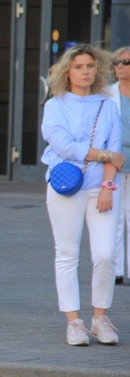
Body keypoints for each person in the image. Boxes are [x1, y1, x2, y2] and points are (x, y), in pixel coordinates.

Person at [41, 44, 125, 346]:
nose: (86, 71)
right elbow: (64, 146)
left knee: (105, 254)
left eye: (90, 66)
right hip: (65, 187)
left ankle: (100, 317)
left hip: (100, 189)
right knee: (67, 253)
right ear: (67, 71)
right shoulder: (55, 105)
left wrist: (107, 186)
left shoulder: (107, 105)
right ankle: (73, 321)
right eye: (79, 67)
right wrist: (104, 155)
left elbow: (117, 154)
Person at [109, 47, 130, 285]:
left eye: (126, 62)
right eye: (117, 63)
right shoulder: (107, 94)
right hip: (114, 163)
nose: (120, 66)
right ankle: (116, 270)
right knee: (115, 216)